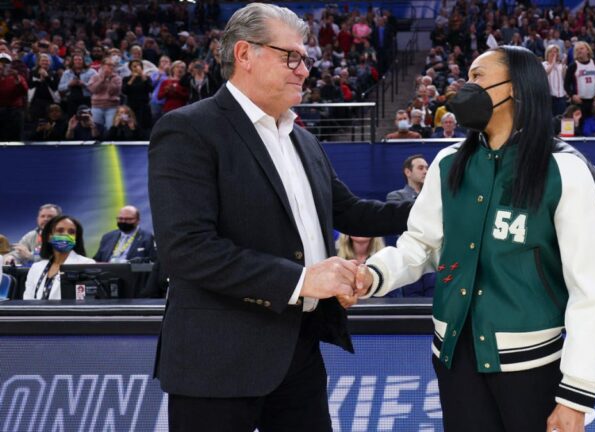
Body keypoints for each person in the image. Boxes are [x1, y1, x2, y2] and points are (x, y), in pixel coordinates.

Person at [147, 4, 411, 431]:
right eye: (291, 56)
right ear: (244, 54)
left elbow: (353, 212)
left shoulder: (302, 138)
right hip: (217, 362)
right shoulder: (189, 130)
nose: (304, 69)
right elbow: (186, 249)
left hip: (299, 352)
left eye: (305, 58)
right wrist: (302, 280)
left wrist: (441, 206)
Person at [351, 46, 595, 432]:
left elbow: (592, 290)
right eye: (466, 77)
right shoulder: (446, 163)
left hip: (533, 366)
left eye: (479, 78)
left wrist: (576, 394)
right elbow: (419, 246)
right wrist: (372, 275)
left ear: (519, 88)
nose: (464, 89)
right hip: (454, 358)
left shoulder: (567, 171)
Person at [22, 215, 95, 300]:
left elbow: (85, 302)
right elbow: (27, 300)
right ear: (49, 237)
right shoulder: (36, 268)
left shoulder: (86, 265)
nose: (66, 235)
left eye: (71, 232)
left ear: (76, 238)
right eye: (60, 231)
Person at [565, 41, 595, 117]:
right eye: (577, 50)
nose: (579, 51)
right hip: (579, 102)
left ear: (588, 50)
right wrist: (572, 95)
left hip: (594, 101)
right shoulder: (573, 66)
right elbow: (566, 84)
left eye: (581, 48)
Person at [87, 56, 122, 128]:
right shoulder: (95, 77)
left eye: (113, 65)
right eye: (109, 65)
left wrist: (109, 79)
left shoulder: (117, 78)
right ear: (102, 66)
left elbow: (114, 91)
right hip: (97, 106)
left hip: (112, 106)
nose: (111, 67)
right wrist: (102, 79)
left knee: (110, 128)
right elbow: (93, 90)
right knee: (96, 127)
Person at [0, 52, 28, 141]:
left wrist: (16, 78)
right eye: (1, 63)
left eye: (6, 63)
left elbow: (24, 90)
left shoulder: (17, 76)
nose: (4, 65)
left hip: (14, 112)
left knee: (15, 139)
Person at [121, 59, 153, 130]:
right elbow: (124, 91)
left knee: (145, 126)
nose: (137, 67)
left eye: (138, 65)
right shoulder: (126, 79)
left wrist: (142, 75)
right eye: (134, 66)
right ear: (130, 68)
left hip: (144, 106)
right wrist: (133, 77)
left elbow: (150, 89)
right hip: (132, 106)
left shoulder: (146, 78)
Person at [543, 44, 567, 116]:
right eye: (551, 52)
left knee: (561, 120)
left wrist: (564, 65)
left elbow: (564, 77)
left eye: (555, 52)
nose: (553, 53)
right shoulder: (543, 64)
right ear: (547, 53)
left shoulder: (560, 65)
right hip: (549, 98)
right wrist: (553, 63)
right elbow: (545, 73)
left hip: (561, 97)